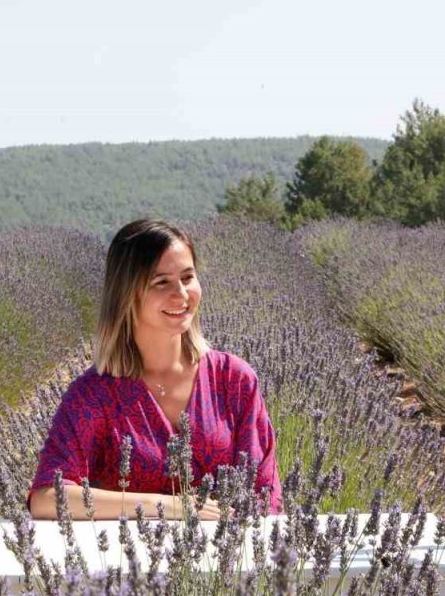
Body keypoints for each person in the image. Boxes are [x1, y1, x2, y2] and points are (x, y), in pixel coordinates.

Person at [28, 219, 283, 520]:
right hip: (129, 563)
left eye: (188, 277)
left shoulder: (233, 380)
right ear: (126, 294)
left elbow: (267, 497)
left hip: (230, 560)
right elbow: (46, 498)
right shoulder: (95, 395)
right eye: (161, 282)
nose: (182, 294)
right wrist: (164, 506)